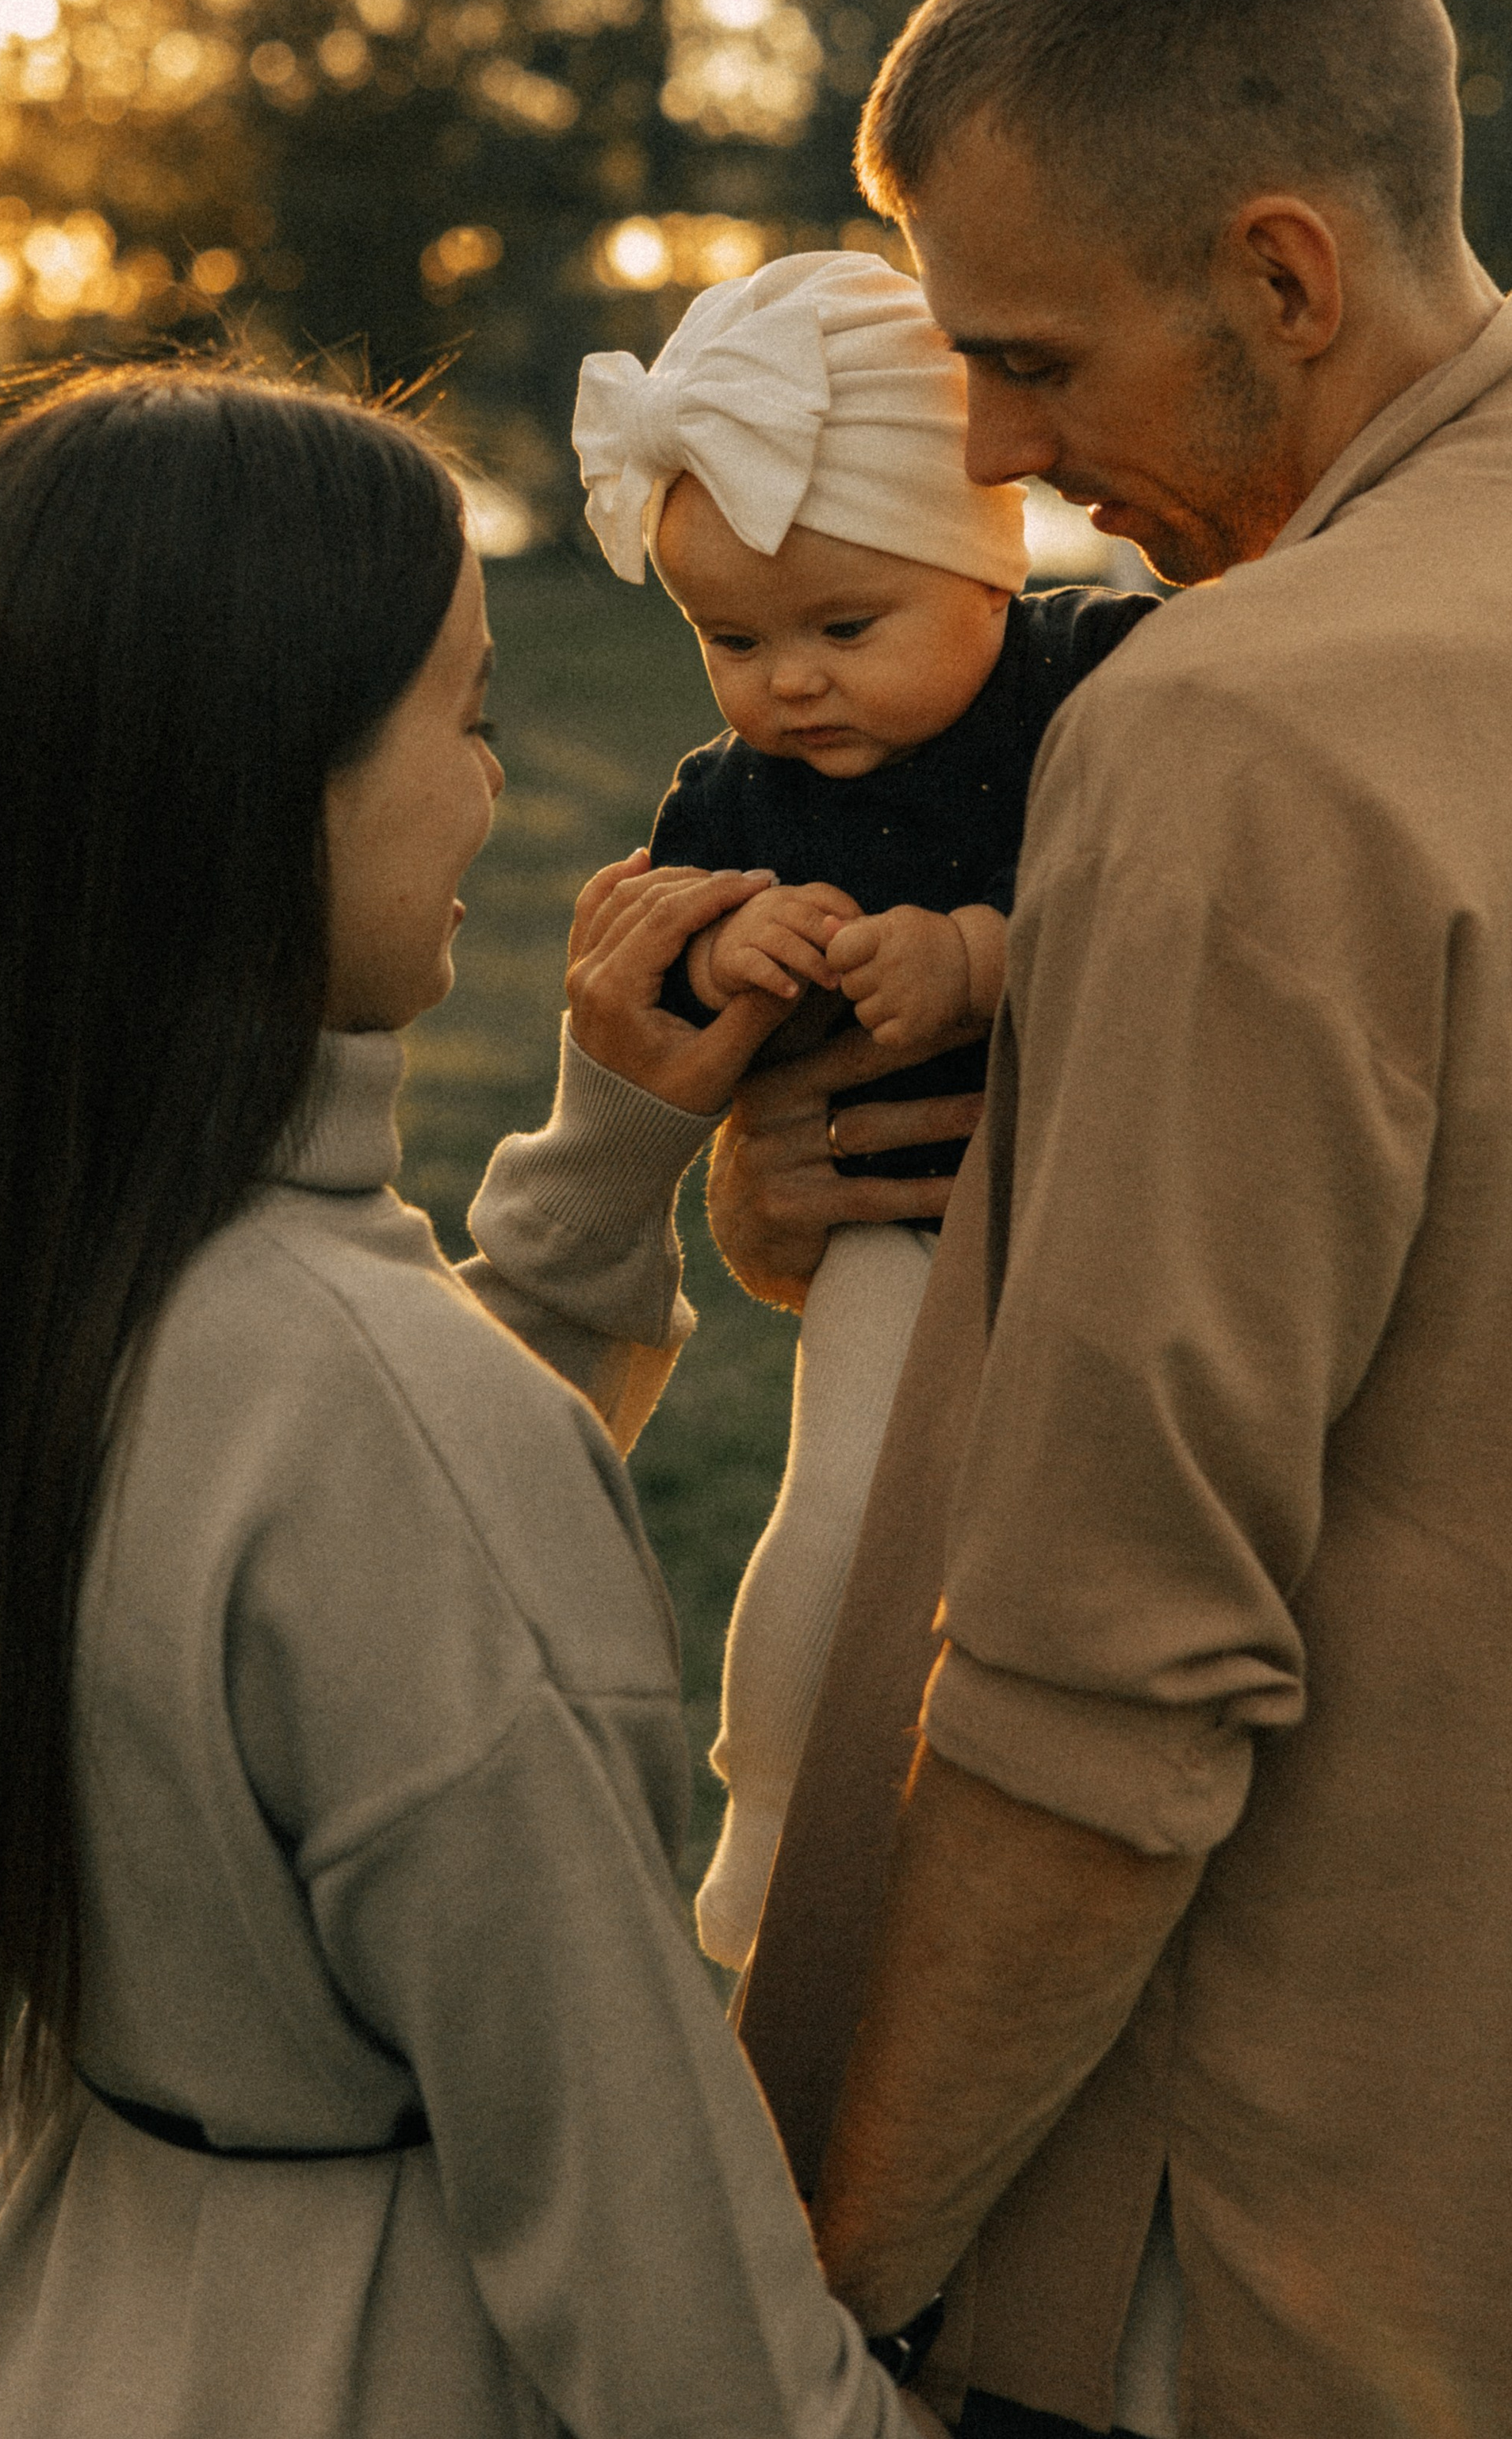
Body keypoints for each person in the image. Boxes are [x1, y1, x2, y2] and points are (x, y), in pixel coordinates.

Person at [0, 366, 942, 2439]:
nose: (492, 793)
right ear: (270, 779)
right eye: (465, 713)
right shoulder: (378, 1418)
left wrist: (607, 1160)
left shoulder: (25, 1267)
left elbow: (342, 1601)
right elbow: (670, 2298)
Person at [700, 0, 1512, 2437]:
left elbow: (1102, 1692)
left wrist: (846, 2295)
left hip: (1250, 2262)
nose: (997, 458)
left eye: (1035, 361)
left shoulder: (1235, 726)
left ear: (1285, 278)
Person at [571, 254, 1154, 1967]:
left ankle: (983, 1859)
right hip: (897, 1223)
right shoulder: (732, 796)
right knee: (839, 1516)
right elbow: (662, 1004)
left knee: (1057, 1571)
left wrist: (980, 956)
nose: (789, 685)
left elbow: (1178, 891)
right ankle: (763, 1817)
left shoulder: (1094, 682)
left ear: (983, 566)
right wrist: (735, 948)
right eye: (729, 641)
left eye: (842, 628)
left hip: (1108, 1214)